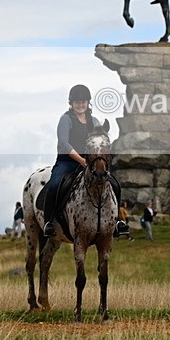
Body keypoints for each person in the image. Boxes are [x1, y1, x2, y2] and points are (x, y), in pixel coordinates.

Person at [43, 85, 129, 239]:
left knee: (114, 184)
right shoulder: (66, 119)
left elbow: (98, 141)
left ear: (88, 103)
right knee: (54, 185)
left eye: (83, 102)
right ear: (71, 103)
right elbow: (64, 143)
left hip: (90, 162)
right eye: (77, 102)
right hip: (67, 161)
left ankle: (117, 221)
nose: (80, 105)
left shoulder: (94, 121)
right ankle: (48, 223)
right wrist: (81, 160)